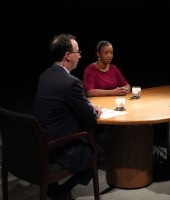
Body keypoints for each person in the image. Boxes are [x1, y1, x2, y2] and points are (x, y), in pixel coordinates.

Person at [34, 34, 110, 200]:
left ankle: (53, 188)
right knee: (103, 152)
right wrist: (94, 110)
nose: (80, 56)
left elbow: (61, 105)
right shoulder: (71, 82)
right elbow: (89, 117)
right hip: (60, 147)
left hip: (39, 142)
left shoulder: (45, 75)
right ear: (68, 56)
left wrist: (86, 106)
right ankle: (62, 190)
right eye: (78, 52)